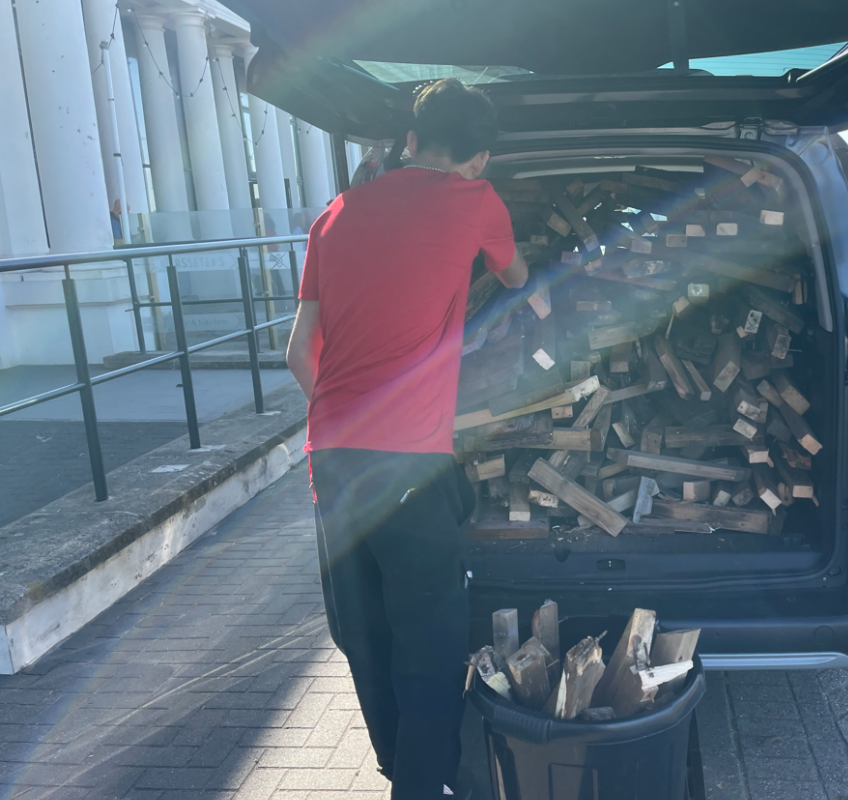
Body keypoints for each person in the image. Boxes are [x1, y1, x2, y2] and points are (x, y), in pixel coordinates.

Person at [285, 78, 528, 800]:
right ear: (479, 158)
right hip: (411, 467)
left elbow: (299, 351)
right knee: (428, 638)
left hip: (330, 458)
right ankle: (423, 786)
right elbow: (515, 275)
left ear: (410, 141)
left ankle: (399, 766)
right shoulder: (476, 201)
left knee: (363, 629)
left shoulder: (332, 217)